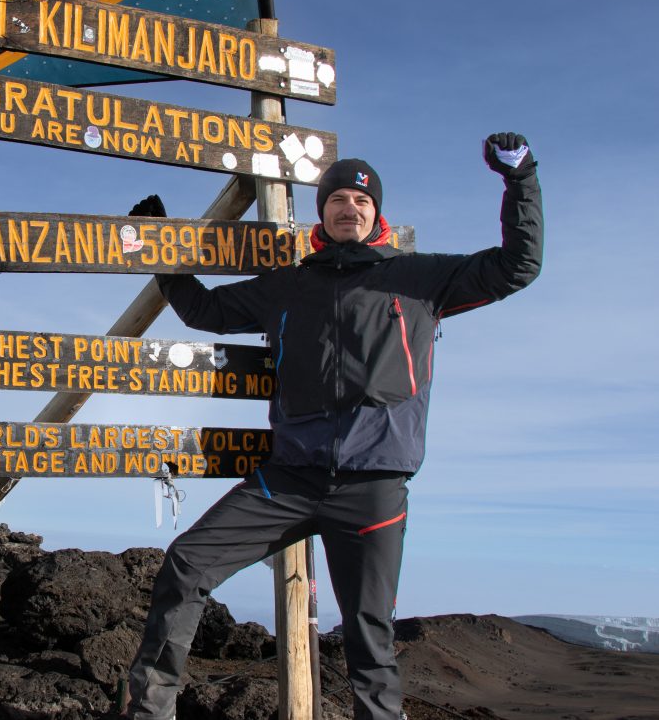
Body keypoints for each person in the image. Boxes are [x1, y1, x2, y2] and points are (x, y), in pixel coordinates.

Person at [123, 133, 543, 720]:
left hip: (373, 488)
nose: (350, 208)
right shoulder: (290, 285)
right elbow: (208, 311)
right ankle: (149, 712)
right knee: (186, 565)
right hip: (287, 480)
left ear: (377, 214)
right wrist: (165, 253)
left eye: (362, 202)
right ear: (323, 212)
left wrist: (520, 178)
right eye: (338, 199)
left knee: (369, 638)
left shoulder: (422, 279)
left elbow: (518, 266)